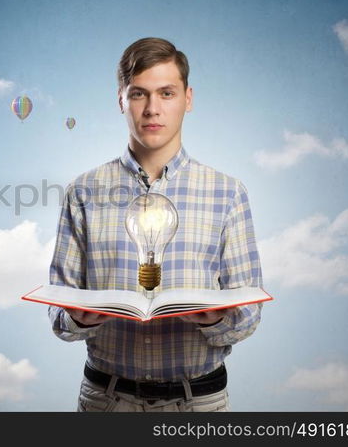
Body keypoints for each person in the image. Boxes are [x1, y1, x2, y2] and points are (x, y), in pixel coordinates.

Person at [48, 37, 263, 412]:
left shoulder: (227, 192)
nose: (152, 109)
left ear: (188, 99)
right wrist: (78, 319)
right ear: (120, 100)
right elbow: (58, 313)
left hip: (197, 402)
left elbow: (248, 316)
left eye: (166, 93)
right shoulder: (83, 191)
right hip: (106, 401)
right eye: (138, 95)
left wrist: (214, 321)